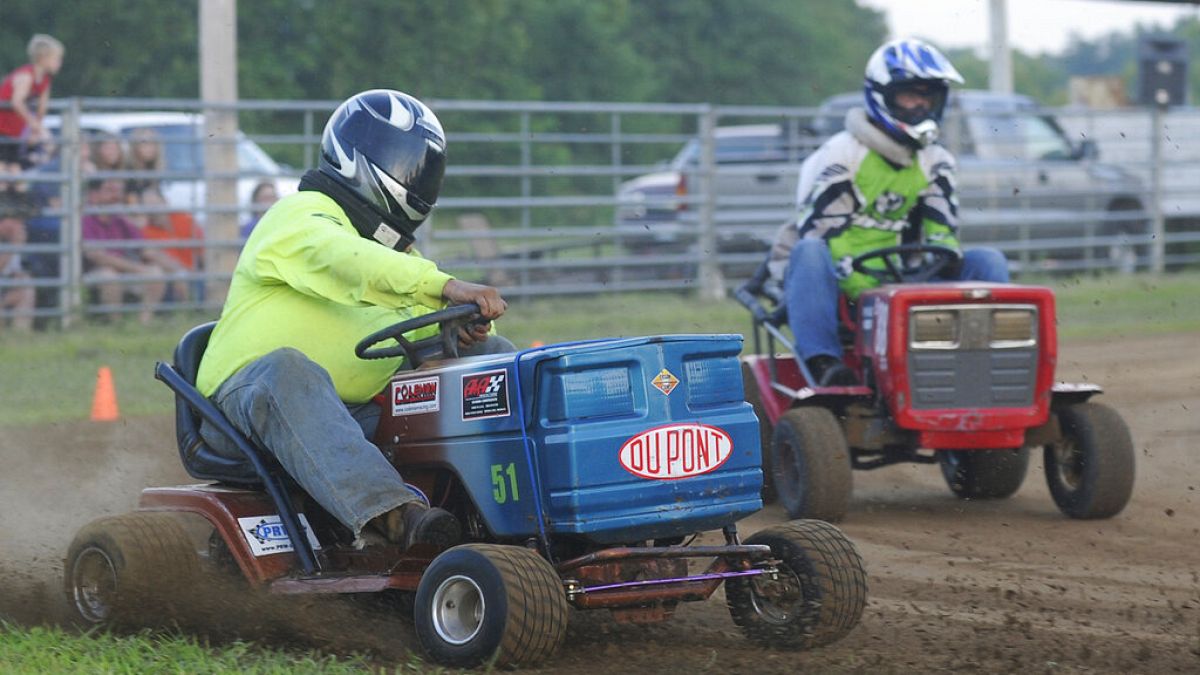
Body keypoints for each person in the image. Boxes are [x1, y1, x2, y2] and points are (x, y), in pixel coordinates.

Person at [195, 90, 507, 551]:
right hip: (246, 413)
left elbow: (426, 316)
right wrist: (443, 286)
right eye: (407, 163)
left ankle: (511, 504)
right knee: (289, 369)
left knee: (490, 360)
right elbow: (343, 259)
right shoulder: (298, 217)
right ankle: (394, 516)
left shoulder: (399, 261)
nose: (416, 176)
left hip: (356, 417)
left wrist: (462, 328)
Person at [766, 38, 1009, 387]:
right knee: (809, 252)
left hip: (907, 286)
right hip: (842, 289)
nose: (921, 105)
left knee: (988, 261)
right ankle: (825, 365)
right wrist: (878, 295)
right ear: (883, 95)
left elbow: (942, 234)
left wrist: (925, 276)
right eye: (910, 95)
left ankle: (986, 365)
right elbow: (824, 234)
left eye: (929, 96)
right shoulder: (840, 154)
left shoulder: (936, 161)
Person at [81, 178, 183, 324]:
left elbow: (145, 249)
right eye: (109, 191)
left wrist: (178, 271)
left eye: (118, 192)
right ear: (94, 195)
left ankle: (144, 323)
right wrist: (138, 269)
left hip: (123, 270)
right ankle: (115, 324)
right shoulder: (86, 219)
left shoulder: (120, 219)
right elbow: (97, 256)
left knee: (155, 272)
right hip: (93, 271)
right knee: (108, 275)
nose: (116, 197)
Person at [0, 34, 64, 168]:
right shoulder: (26, 75)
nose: (59, 63)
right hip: (3, 127)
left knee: (15, 170)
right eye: (56, 59)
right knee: (3, 171)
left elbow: (42, 107)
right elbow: (16, 102)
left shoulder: (45, 79)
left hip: (13, 130)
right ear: (43, 58)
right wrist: (35, 125)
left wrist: (35, 130)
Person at [131, 186, 202, 302]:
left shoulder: (184, 219)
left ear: (165, 201)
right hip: (169, 280)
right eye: (147, 205)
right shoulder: (145, 230)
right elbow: (150, 255)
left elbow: (202, 249)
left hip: (195, 274)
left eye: (154, 203)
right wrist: (180, 273)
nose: (153, 208)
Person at [0, 200, 35, 332]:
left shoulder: (11, 238)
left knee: (26, 285)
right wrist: (14, 246)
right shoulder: (13, 241)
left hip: (5, 287)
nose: (20, 226)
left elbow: (16, 269)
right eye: (16, 221)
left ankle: (20, 335)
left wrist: (19, 275)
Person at [125, 127, 165, 196]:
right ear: (135, 146)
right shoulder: (128, 172)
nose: (150, 147)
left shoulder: (153, 171)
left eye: (153, 143)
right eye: (144, 143)